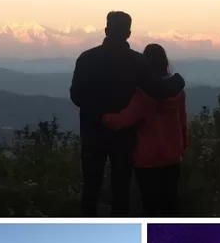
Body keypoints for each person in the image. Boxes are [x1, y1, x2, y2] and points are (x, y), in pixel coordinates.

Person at [70, 12, 186, 217]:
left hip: (92, 133)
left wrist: (99, 115)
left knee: (91, 187)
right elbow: (156, 91)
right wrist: (178, 81)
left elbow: (76, 96)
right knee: (120, 189)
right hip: (123, 136)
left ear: (106, 30)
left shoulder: (86, 58)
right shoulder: (137, 62)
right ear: (129, 33)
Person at [102, 43, 187, 216]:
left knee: (151, 205)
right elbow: (182, 120)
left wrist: (103, 117)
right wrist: (182, 145)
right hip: (172, 154)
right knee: (170, 201)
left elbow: (125, 119)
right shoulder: (178, 91)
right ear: (165, 62)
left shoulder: (143, 95)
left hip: (147, 158)